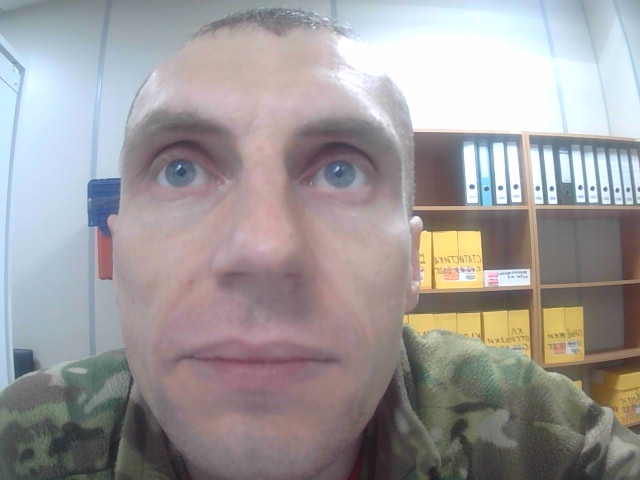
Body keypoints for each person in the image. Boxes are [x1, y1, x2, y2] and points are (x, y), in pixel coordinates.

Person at [1, 6, 639, 480]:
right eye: (181, 170)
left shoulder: (540, 430)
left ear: (412, 265)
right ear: (118, 251)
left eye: (340, 172)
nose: (264, 250)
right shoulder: (22, 432)